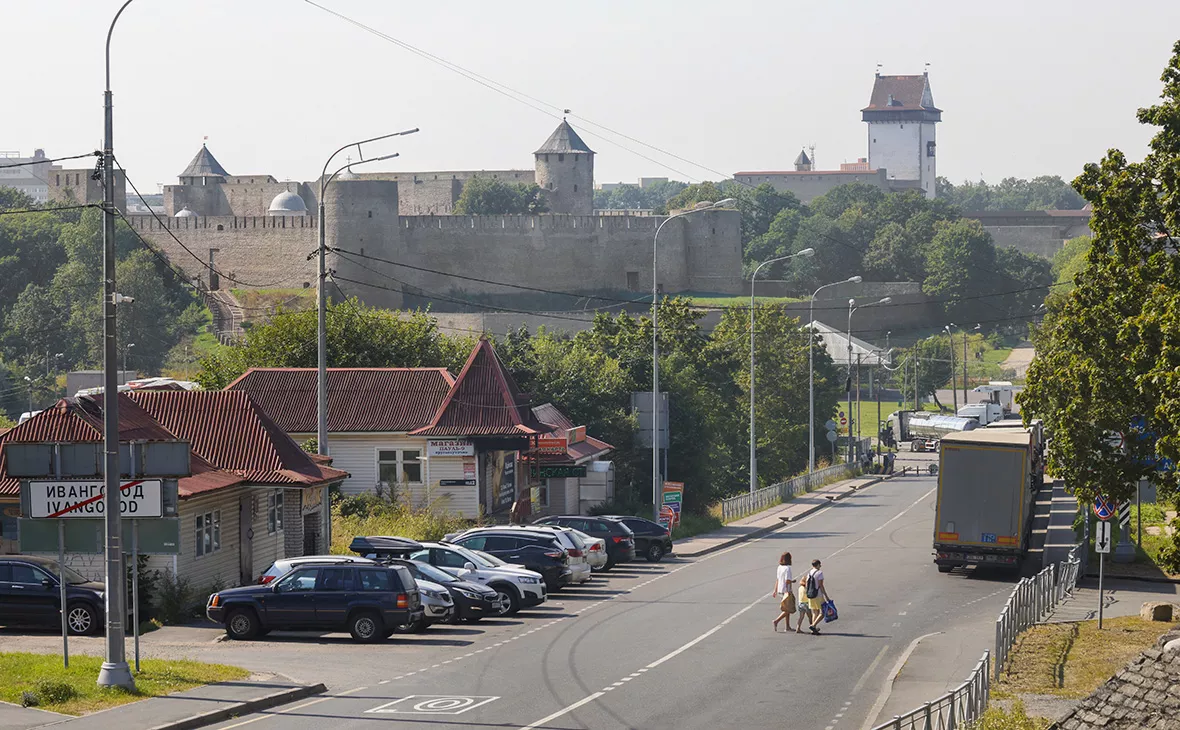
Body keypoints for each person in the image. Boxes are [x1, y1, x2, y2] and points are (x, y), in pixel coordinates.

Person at [803, 559, 831, 635]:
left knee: (815, 612)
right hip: (818, 594)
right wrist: (826, 596)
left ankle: (813, 629)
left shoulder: (809, 573)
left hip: (810, 594)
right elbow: (821, 585)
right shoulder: (819, 573)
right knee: (822, 612)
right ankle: (813, 625)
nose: (820, 566)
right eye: (820, 565)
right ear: (818, 565)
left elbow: (806, 584)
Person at [771, 552, 795, 632]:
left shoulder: (779, 567)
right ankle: (776, 621)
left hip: (780, 589)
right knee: (788, 609)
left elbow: (778, 579)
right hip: (786, 590)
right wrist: (789, 588)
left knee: (786, 608)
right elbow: (787, 580)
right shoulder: (788, 568)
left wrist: (775, 590)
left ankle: (787, 626)